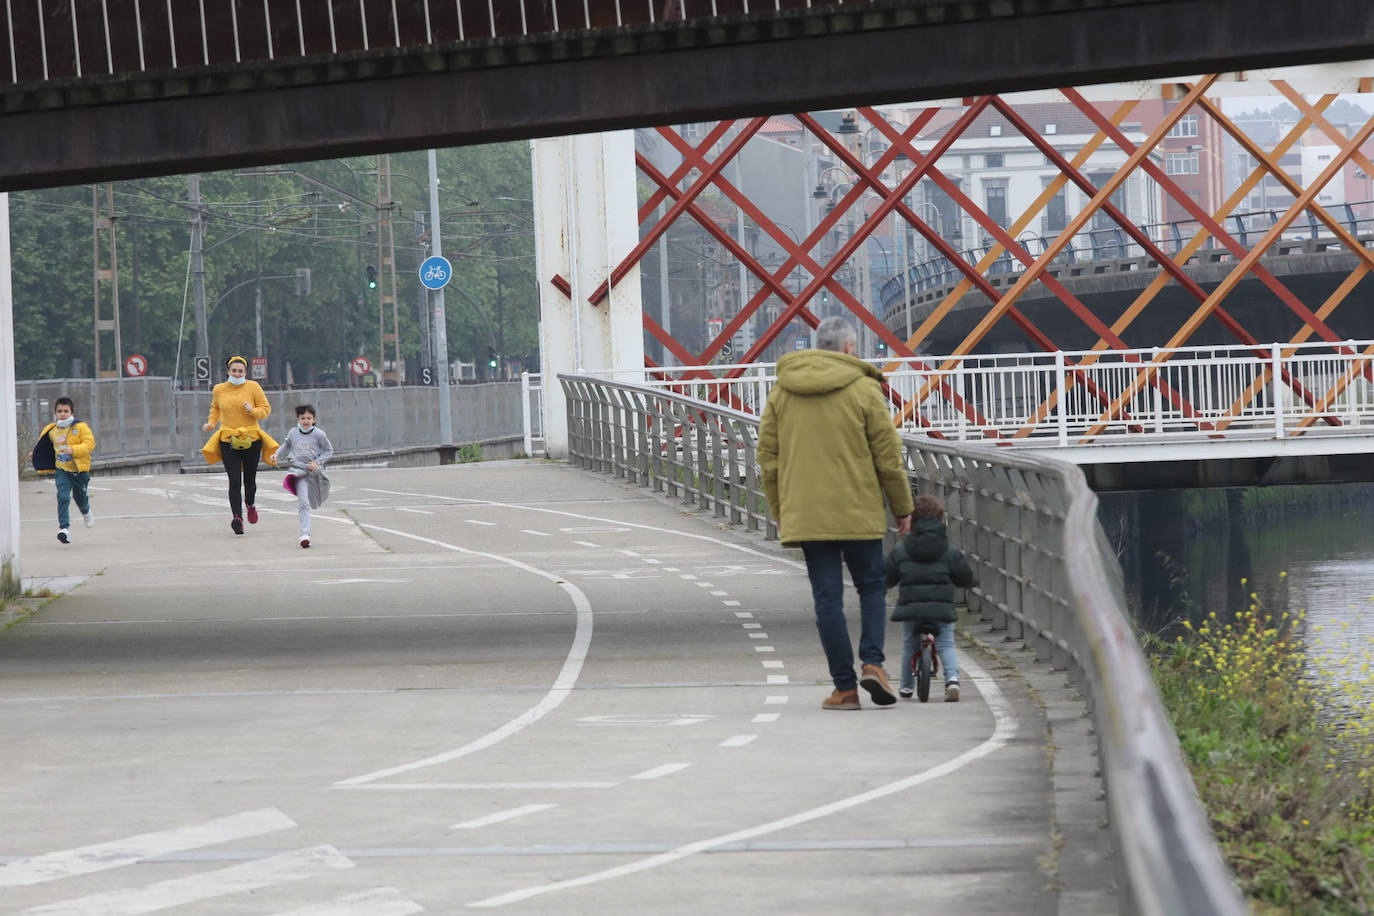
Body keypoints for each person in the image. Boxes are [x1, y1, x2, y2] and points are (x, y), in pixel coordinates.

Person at [758, 317, 914, 711]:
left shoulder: (782, 392)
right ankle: (873, 664)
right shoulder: (865, 390)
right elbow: (887, 456)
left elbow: (768, 459)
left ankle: (844, 689)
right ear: (848, 348)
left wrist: (780, 510)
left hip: (808, 514)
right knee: (872, 587)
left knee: (826, 597)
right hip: (858, 509)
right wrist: (902, 507)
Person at [886, 494, 977, 702]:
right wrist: (971, 583)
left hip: (911, 609)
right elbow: (964, 577)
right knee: (946, 644)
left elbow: (888, 577)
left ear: (912, 521)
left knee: (909, 645)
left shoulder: (901, 550)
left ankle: (906, 686)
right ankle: (952, 679)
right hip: (941, 610)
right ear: (940, 520)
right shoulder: (949, 551)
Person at [201, 356, 278, 535]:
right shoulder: (219, 389)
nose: (237, 374)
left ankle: (250, 503)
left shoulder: (253, 387)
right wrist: (211, 424)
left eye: (240, 371)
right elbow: (215, 409)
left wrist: (253, 410)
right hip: (228, 439)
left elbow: (266, 409)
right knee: (234, 480)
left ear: (245, 372)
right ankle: (238, 518)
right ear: (228, 371)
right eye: (234, 371)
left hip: (251, 438)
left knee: (249, 480)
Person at [29, 397, 96, 544]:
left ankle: (86, 511)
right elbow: (44, 445)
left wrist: (72, 450)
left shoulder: (81, 427)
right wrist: (36, 454)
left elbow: (89, 444)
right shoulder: (52, 430)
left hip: (80, 471)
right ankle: (64, 529)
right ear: (55, 413)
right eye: (59, 411)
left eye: (66, 411)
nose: (63, 414)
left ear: (72, 412)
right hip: (62, 471)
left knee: (80, 497)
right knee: (63, 497)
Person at [272, 404, 334, 549]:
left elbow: (328, 450)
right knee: (303, 503)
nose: (306, 421)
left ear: (314, 419)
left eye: (309, 418)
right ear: (297, 419)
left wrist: (317, 463)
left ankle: (306, 529)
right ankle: (305, 535)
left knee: (314, 502)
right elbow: (286, 445)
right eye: (303, 418)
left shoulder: (319, 434)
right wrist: (276, 454)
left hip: (314, 474)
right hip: (298, 472)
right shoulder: (293, 433)